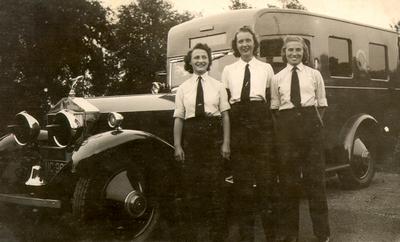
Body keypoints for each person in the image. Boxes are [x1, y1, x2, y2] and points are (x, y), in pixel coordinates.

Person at [270, 35, 330, 242]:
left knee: (316, 181)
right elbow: (275, 108)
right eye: (290, 50)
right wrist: (287, 129)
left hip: (310, 126)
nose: (294, 53)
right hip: (287, 129)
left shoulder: (314, 75)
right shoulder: (277, 78)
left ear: (304, 52)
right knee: (288, 183)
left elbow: (321, 104)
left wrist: (311, 124)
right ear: (284, 53)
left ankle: (322, 233)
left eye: (298, 50)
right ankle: (290, 235)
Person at [221, 25, 276, 242]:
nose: (244, 44)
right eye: (240, 41)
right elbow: (225, 101)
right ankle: (247, 237)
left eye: (248, 40)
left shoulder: (266, 68)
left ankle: (271, 236)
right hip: (238, 121)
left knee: (265, 181)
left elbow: (272, 99)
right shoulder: (228, 70)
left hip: (260, 118)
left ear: (254, 43)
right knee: (242, 183)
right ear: (236, 45)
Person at [173, 43, 231, 242]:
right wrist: (178, 145)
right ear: (190, 62)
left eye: (204, 57)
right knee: (192, 190)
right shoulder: (183, 88)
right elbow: (179, 118)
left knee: (217, 189)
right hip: (192, 139)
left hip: (213, 138)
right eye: (196, 57)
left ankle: (218, 236)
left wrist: (226, 143)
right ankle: (193, 236)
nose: (200, 61)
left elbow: (225, 116)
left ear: (209, 61)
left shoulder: (218, 86)